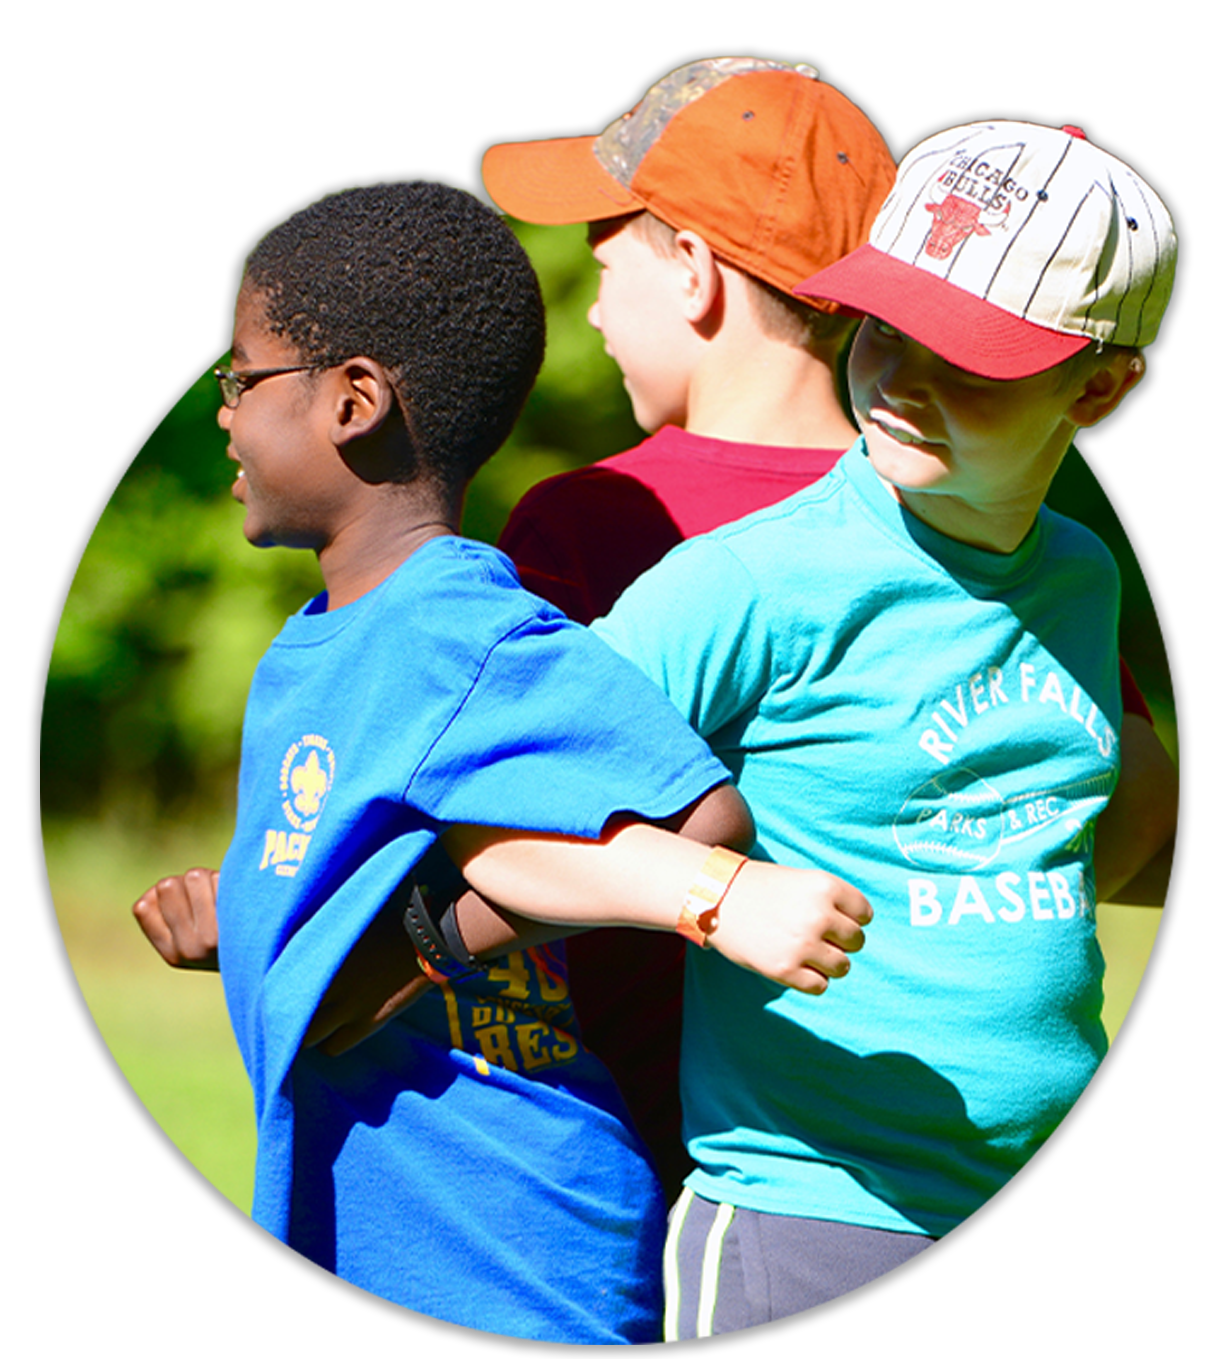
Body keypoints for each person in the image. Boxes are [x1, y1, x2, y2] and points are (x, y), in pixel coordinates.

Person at [133, 178, 874, 1343]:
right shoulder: (326, 642)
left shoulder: (461, 623)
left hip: (516, 1253)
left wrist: (412, 945)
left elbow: (700, 823)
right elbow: (389, 852)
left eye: (244, 375)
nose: (222, 411)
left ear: (353, 401)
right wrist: (264, 920)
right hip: (384, 1224)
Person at [476, 56, 1177, 1200]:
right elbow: (1127, 797)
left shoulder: (601, 518)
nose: (592, 308)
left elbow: (483, 780)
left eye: (606, 262)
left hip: (637, 1137)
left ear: (694, 272)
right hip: (791, 1171)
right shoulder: (985, 518)